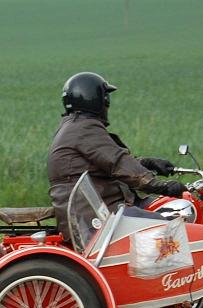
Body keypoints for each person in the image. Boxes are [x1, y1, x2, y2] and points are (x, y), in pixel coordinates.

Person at [47, 71, 185, 241]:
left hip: (96, 210)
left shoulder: (74, 127)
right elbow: (118, 163)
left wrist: (147, 162)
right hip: (96, 217)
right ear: (97, 99)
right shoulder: (84, 129)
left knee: (164, 207)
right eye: (106, 97)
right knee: (171, 228)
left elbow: (105, 161)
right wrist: (160, 186)